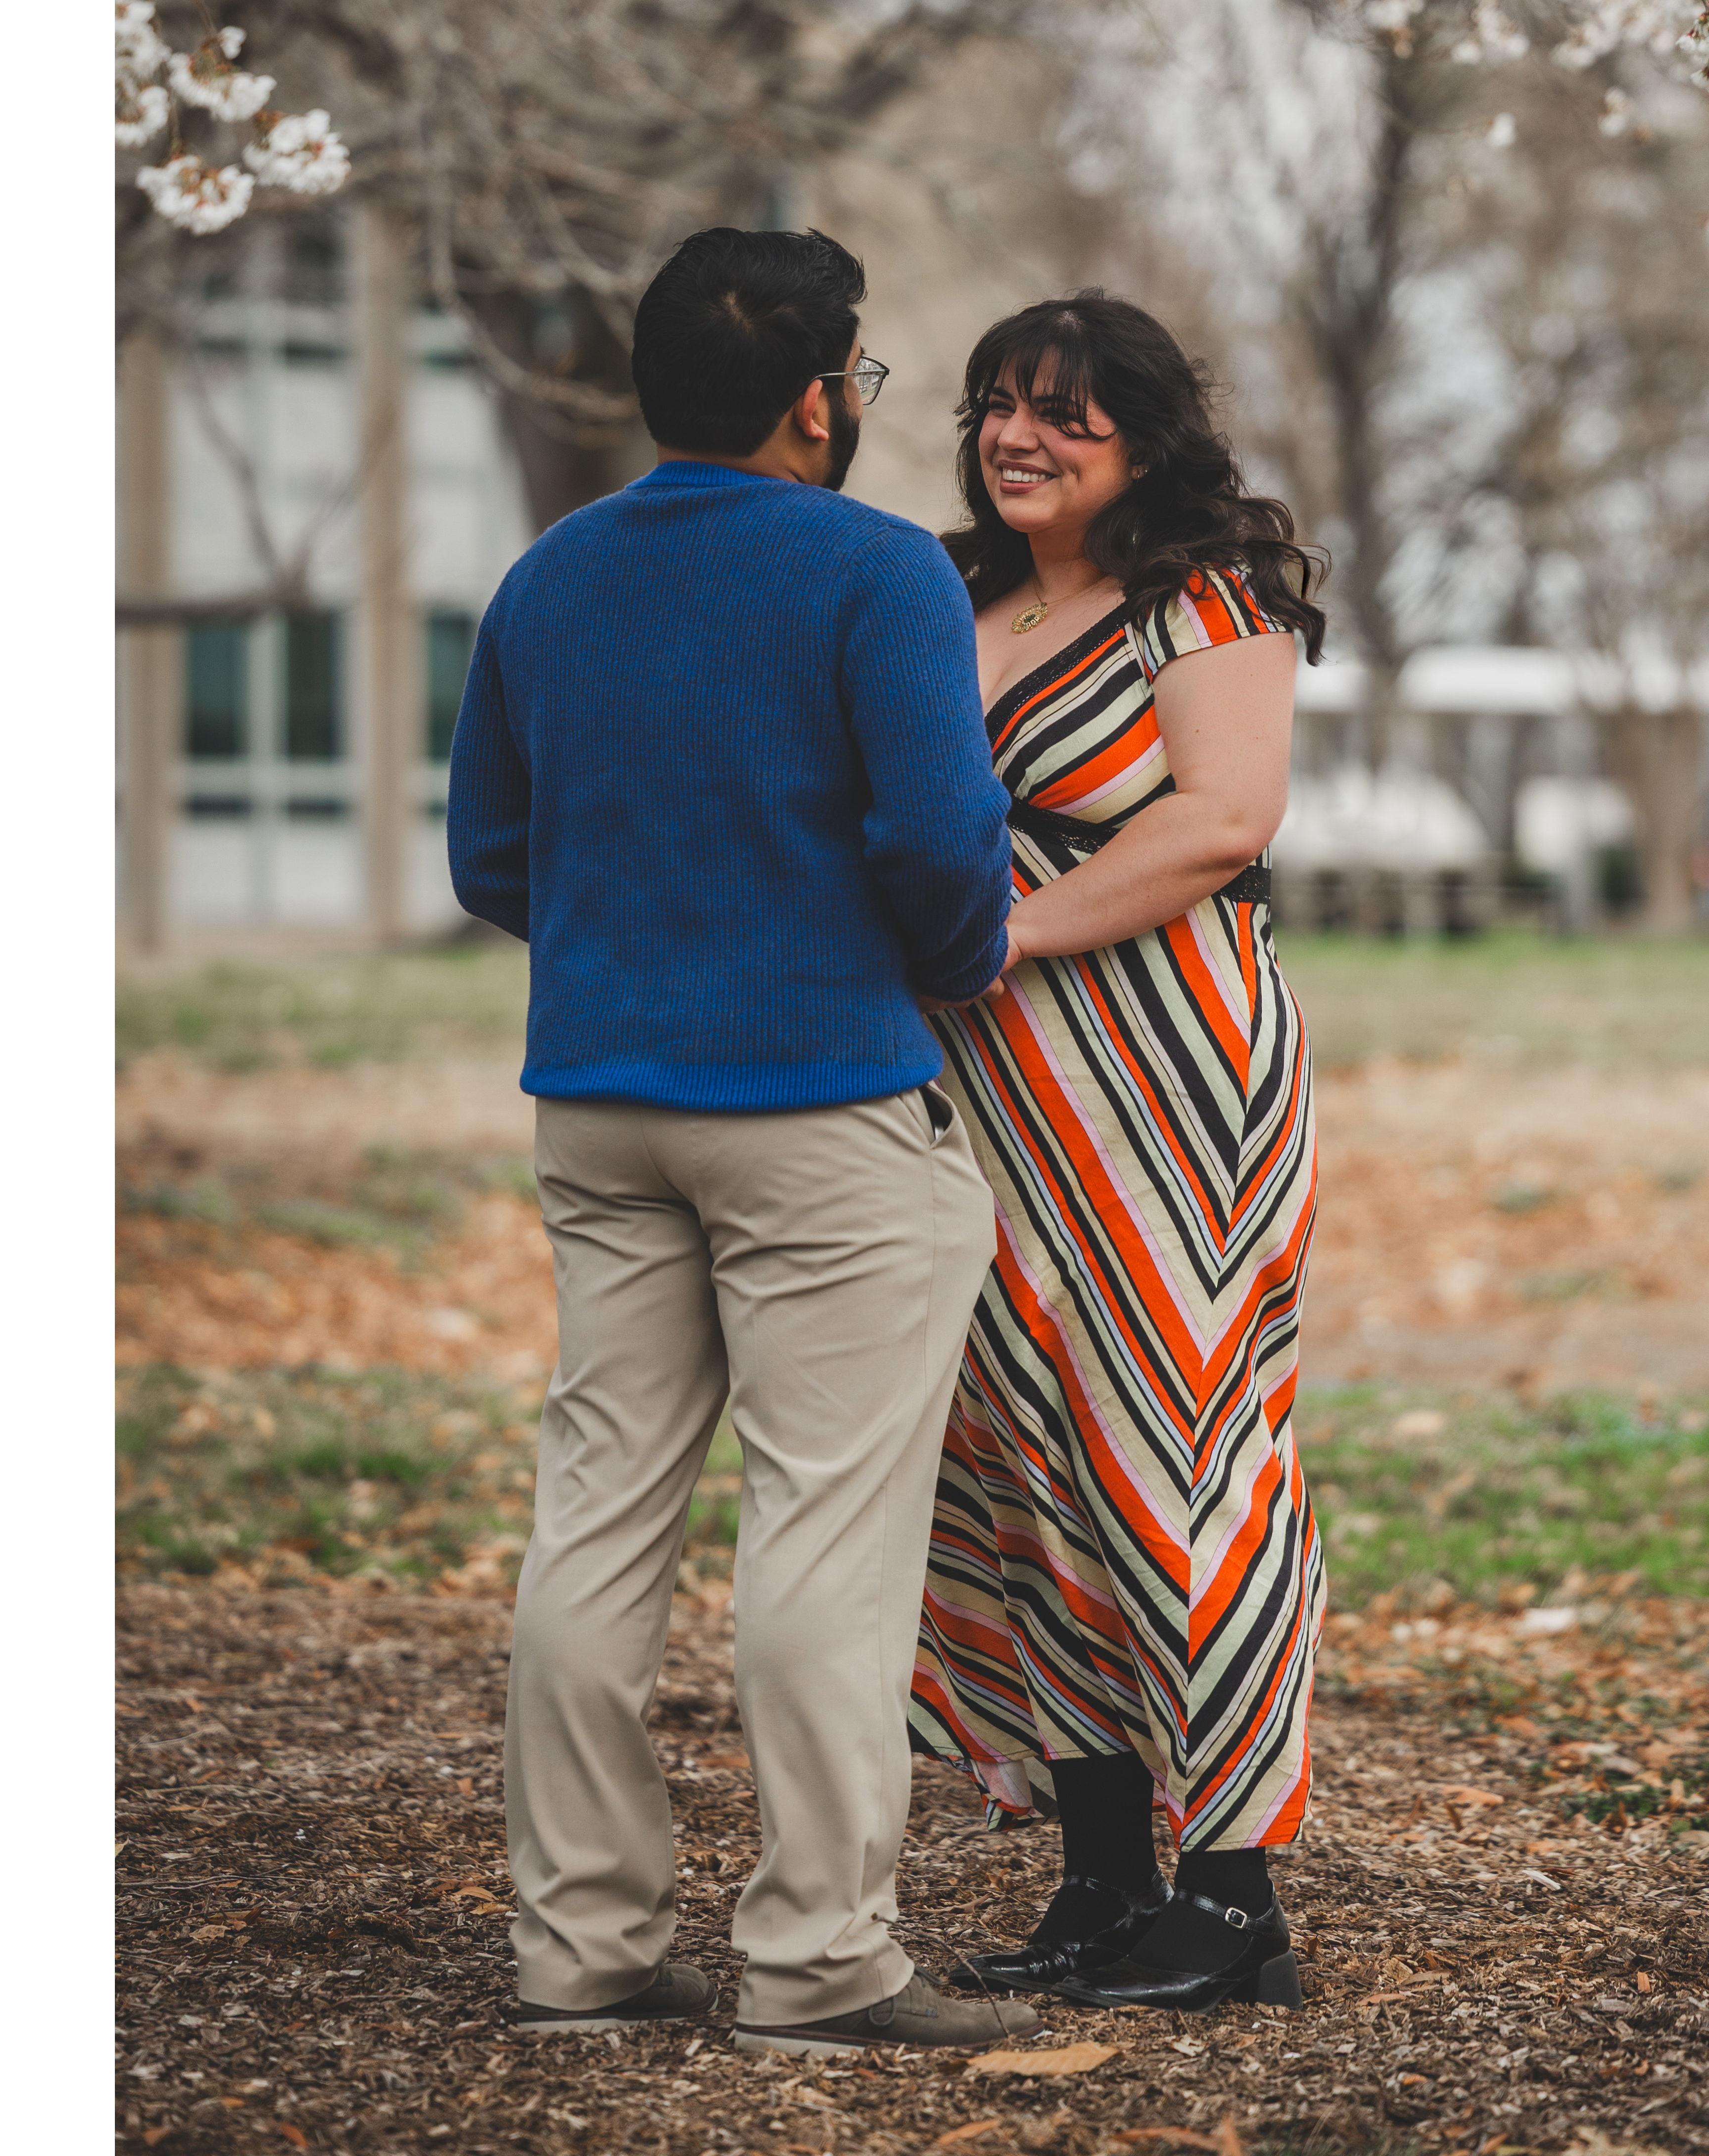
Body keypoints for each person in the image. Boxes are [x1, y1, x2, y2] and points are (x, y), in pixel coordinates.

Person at [445, 227, 1042, 2060]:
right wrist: (943, 961)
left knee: (597, 1513)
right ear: (816, 400)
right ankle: (819, 1960)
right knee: (825, 1531)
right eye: (855, 380)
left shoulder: (548, 575)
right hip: (822, 1107)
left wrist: (643, 946)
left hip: (600, 1105)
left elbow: (489, 857)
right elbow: (942, 843)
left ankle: (581, 1946)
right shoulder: (876, 569)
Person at [907, 291, 1330, 2013]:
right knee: (1023, 1454)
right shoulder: (952, 597)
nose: (1019, 437)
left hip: (1166, 1078)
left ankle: (1233, 1900)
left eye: (1064, 413)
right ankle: (1100, 1881)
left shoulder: (1206, 599)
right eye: (999, 405)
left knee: (1176, 1447)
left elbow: (1223, 819)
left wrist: (1002, 933)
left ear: (1144, 441)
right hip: (985, 1089)